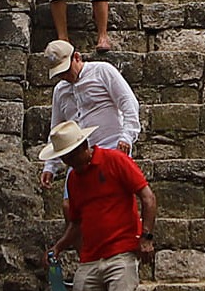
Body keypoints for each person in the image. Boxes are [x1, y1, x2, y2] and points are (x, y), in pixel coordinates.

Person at [40, 118, 158, 291]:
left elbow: (147, 196)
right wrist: (58, 247)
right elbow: (77, 223)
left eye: (68, 155)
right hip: (90, 258)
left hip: (121, 251)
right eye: (63, 157)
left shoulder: (115, 161)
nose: (67, 161)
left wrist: (146, 237)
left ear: (82, 147)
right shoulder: (74, 179)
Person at [40, 39, 140, 190]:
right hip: (78, 157)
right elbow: (57, 128)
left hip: (111, 147)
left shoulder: (102, 71)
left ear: (77, 57)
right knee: (71, 205)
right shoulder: (60, 90)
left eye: (66, 71)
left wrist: (127, 136)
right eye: (60, 74)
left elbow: (128, 103)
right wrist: (50, 166)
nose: (65, 76)